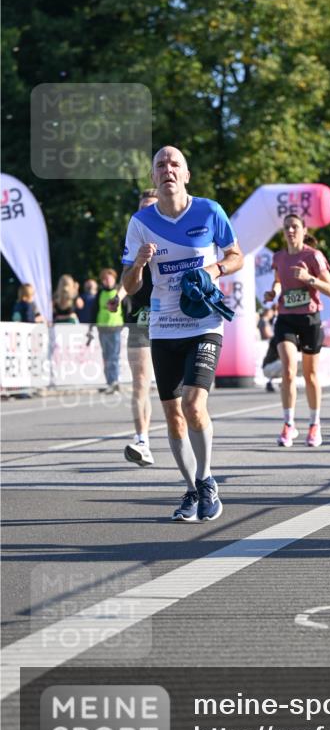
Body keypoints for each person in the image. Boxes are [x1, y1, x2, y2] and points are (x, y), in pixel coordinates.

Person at [122, 146, 243, 522]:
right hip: (163, 326)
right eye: (161, 165)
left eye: (175, 164)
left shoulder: (209, 211)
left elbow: (236, 254)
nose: (168, 169)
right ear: (154, 178)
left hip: (204, 322)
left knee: (193, 404)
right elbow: (128, 283)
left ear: (186, 175)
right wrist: (140, 263)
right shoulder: (140, 222)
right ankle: (192, 488)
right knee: (173, 415)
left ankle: (207, 480)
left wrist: (215, 270)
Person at [263, 213, 330, 447]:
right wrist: (273, 292)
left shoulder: (313, 256)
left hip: (309, 319)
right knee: (287, 370)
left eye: (295, 227)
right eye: (286, 227)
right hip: (285, 318)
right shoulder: (279, 257)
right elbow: (277, 280)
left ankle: (315, 424)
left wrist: (309, 279)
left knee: (311, 375)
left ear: (304, 230)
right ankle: (289, 423)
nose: (290, 231)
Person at [109, 190, 159, 466]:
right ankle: (142, 441)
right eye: (141, 210)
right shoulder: (133, 239)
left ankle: (187, 435)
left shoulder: (177, 236)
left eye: (150, 209)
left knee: (173, 388)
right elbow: (127, 280)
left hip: (174, 316)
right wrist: (118, 296)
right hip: (141, 315)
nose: (144, 215)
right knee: (140, 382)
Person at [89, 268, 125, 393]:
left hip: (115, 328)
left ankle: (115, 381)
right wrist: (91, 327)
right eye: (105, 279)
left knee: (114, 356)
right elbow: (94, 311)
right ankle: (109, 381)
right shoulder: (100, 294)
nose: (107, 281)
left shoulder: (119, 292)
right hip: (102, 328)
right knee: (106, 356)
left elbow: (126, 308)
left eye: (109, 278)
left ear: (114, 279)